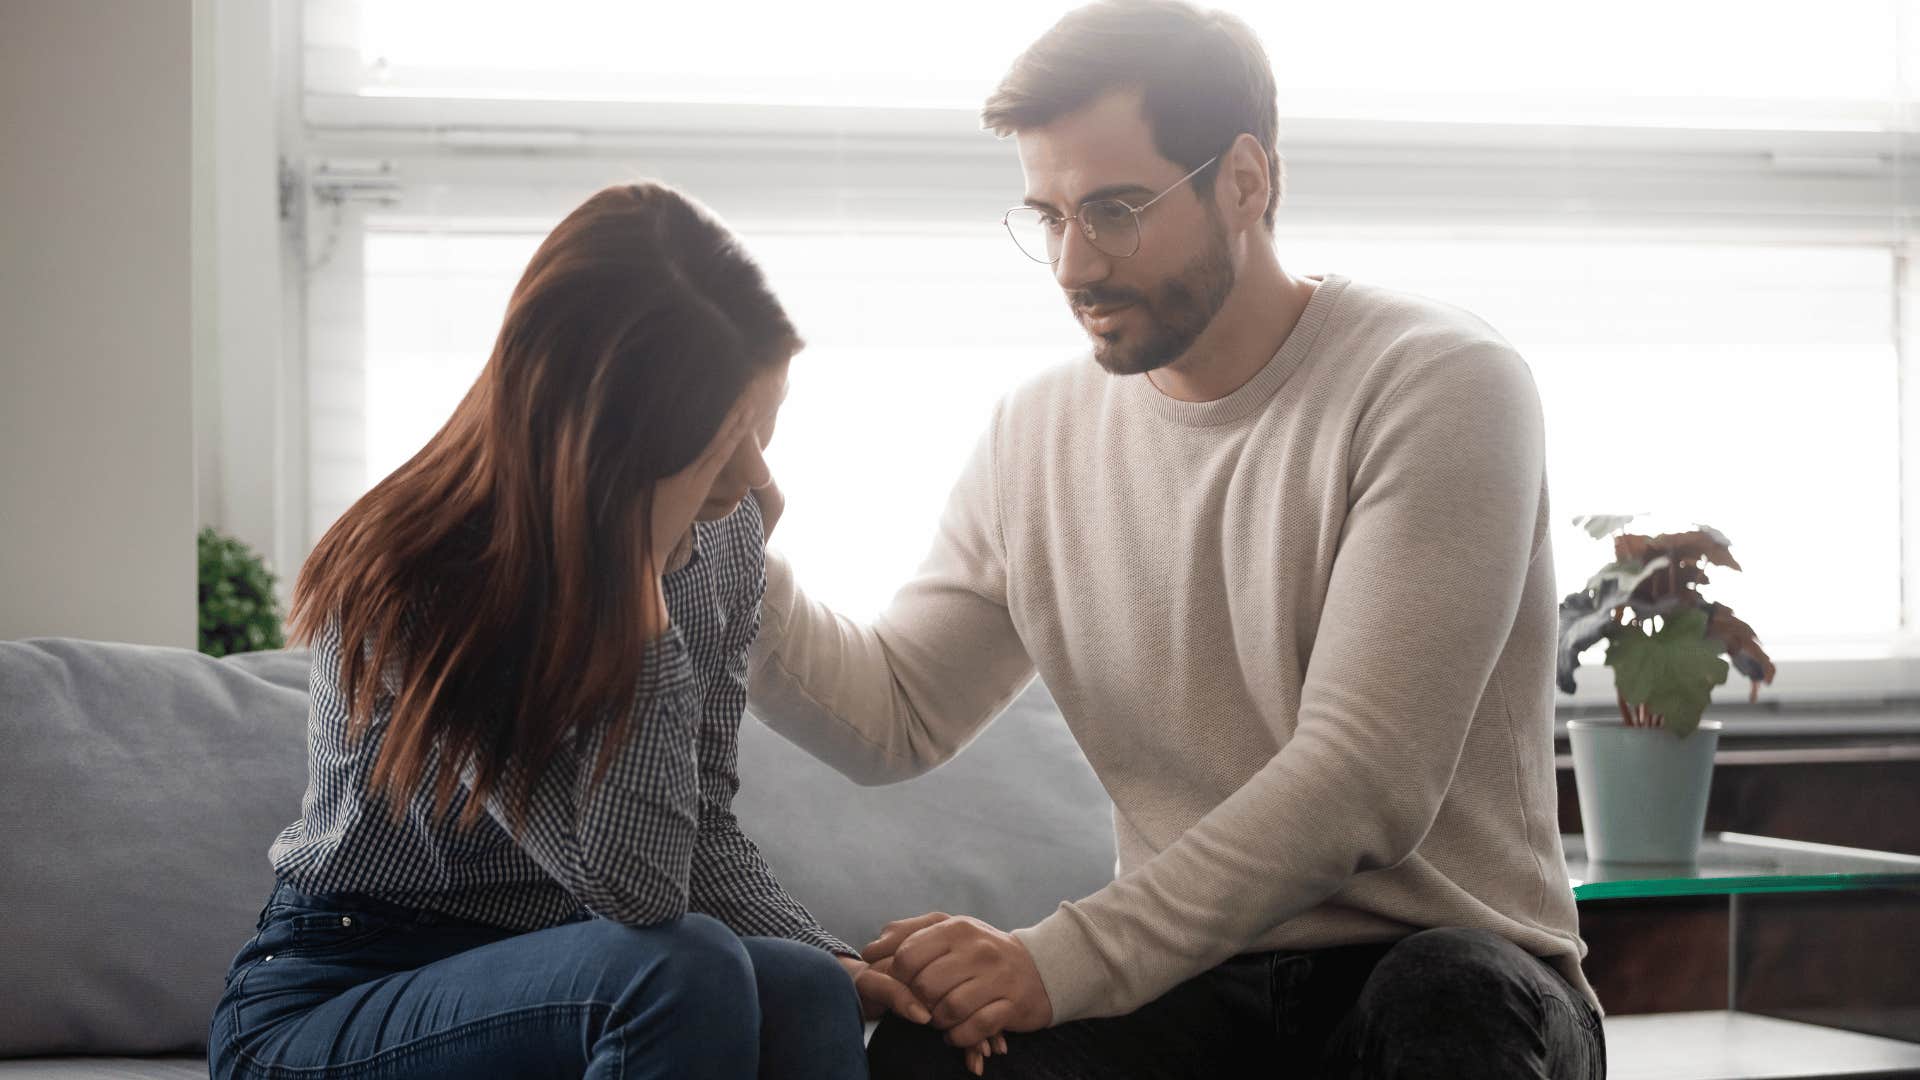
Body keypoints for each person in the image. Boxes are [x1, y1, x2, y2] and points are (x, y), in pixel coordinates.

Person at [745, 2, 1605, 1076]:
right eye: (1049, 217)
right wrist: (718, 541)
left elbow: (1362, 779)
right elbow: (897, 714)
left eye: (1113, 210)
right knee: (936, 1058)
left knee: (1444, 1005)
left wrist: (1057, 958)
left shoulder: (1440, 384)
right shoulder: (1035, 436)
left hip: (1453, 972)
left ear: (1245, 179)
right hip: (1195, 985)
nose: (1072, 267)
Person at [207, 182, 935, 1080]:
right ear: (610, 439)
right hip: (340, 990)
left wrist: (839, 961)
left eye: (767, 426)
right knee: (681, 971)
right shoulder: (417, 577)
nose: (756, 477)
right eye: (724, 440)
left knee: (804, 988)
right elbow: (638, 891)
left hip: (566, 978)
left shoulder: (722, 534)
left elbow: (698, 831)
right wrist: (644, 588)